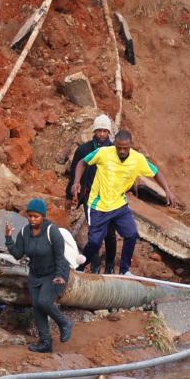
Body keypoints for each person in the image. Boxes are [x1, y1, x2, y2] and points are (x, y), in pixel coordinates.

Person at [71, 129, 180, 276]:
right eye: (119, 147)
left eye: (125, 148)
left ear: (130, 145)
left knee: (131, 234)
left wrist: (167, 190)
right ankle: (80, 267)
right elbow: (82, 163)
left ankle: (124, 270)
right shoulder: (104, 153)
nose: (122, 151)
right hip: (98, 205)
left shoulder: (138, 159)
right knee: (95, 242)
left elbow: (156, 172)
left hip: (119, 205)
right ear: (114, 144)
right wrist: (77, 182)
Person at [5, 198, 72, 353]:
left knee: (44, 301)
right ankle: (45, 343)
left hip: (54, 274)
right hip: (35, 275)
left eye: (36, 216)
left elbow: (60, 257)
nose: (32, 219)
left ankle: (64, 323)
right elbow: (17, 254)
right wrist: (8, 238)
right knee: (37, 307)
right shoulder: (24, 232)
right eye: (30, 216)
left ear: (43, 216)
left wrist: (60, 275)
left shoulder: (51, 231)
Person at [66, 114, 118, 274]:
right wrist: (69, 195)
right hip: (90, 196)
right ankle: (95, 266)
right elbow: (74, 171)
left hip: (110, 198)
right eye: (99, 131)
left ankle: (109, 267)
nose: (102, 134)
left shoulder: (115, 150)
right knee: (95, 232)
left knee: (110, 234)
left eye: (105, 131)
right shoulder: (84, 150)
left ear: (109, 133)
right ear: (94, 131)